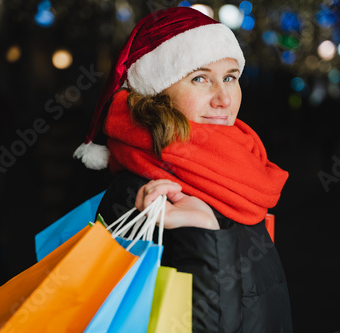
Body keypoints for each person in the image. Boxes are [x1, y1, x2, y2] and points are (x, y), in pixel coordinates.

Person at [74, 6, 293, 333]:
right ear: (157, 93)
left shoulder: (238, 171)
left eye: (230, 77)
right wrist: (204, 231)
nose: (223, 98)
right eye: (200, 78)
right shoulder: (141, 192)